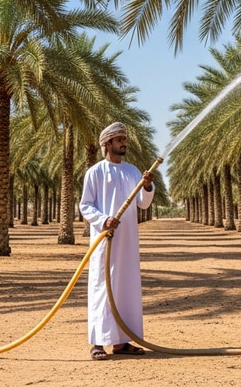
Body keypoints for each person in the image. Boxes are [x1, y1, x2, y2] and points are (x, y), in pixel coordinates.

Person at [79, 121, 154, 361]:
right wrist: (104, 220)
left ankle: (122, 342)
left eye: (125, 139)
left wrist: (148, 185)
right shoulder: (95, 172)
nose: (124, 143)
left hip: (128, 242)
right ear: (107, 143)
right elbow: (85, 206)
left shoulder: (132, 171)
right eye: (120, 139)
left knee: (127, 289)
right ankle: (98, 342)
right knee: (103, 287)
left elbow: (143, 203)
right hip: (106, 241)